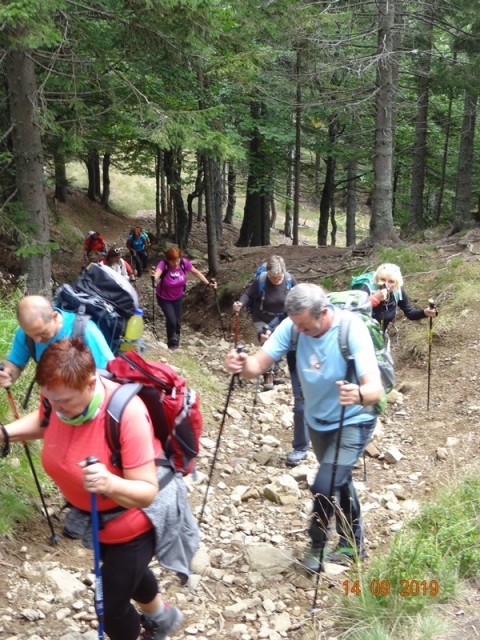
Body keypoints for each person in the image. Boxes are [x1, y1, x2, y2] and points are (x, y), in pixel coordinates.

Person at [0, 338, 189, 640]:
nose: (56, 407)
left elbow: (146, 491)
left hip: (135, 525)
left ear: (90, 384)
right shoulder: (58, 396)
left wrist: (109, 482)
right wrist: (5, 433)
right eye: (49, 398)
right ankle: (162, 616)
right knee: (132, 574)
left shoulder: (126, 414)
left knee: (109, 609)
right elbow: (46, 420)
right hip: (100, 521)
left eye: (63, 401)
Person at [225, 283, 383, 572]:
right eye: (297, 325)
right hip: (318, 421)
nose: (301, 331)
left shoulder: (351, 330)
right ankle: (353, 543)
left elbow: (375, 390)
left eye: (306, 327)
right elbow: (256, 366)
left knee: (324, 484)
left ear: (324, 313)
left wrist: (358, 394)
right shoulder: (292, 326)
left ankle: (317, 544)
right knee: (338, 478)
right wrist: (241, 363)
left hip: (354, 418)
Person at [0, 296, 114, 389]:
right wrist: (7, 374)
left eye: (42, 333)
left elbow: (109, 373)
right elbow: (15, 365)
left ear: (54, 317)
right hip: (54, 400)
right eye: (32, 335)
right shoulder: (25, 334)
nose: (37, 340)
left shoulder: (85, 330)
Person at [232, 256, 294, 391]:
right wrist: (240, 303)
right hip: (262, 317)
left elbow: (297, 294)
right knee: (268, 343)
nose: (276, 280)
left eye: (278, 277)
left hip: (281, 319)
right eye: (273, 278)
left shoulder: (289, 279)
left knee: (280, 343)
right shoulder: (261, 280)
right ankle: (268, 376)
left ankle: (276, 372)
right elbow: (248, 295)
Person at [152, 246, 217, 350]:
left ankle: (175, 340)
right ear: (168, 260)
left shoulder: (183, 263)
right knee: (172, 320)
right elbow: (157, 273)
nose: (176, 264)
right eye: (173, 262)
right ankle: (171, 343)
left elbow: (196, 272)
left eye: (177, 261)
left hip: (178, 297)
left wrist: (208, 283)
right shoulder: (163, 264)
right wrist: (153, 276)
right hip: (164, 298)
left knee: (177, 322)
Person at [360, 263, 436, 333]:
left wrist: (424, 313)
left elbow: (410, 313)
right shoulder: (367, 290)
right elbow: (352, 311)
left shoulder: (397, 291)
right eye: (382, 279)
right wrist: (374, 299)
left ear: (396, 283)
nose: (386, 284)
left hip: (380, 336)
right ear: (377, 279)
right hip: (360, 334)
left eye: (391, 281)